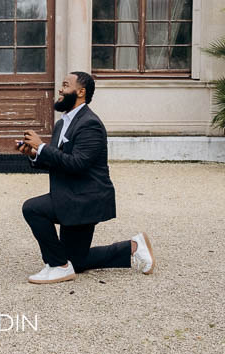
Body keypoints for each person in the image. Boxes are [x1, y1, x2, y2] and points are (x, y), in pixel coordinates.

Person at [17, 71, 155, 283]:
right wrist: (35, 154)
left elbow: (78, 164)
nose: (60, 89)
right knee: (77, 261)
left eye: (65, 85)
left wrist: (42, 146)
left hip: (86, 198)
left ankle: (58, 266)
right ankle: (134, 247)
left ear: (81, 92)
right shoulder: (62, 124)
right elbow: (60, 161)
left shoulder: (90, 124)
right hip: (70, 195)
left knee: (33, 208)